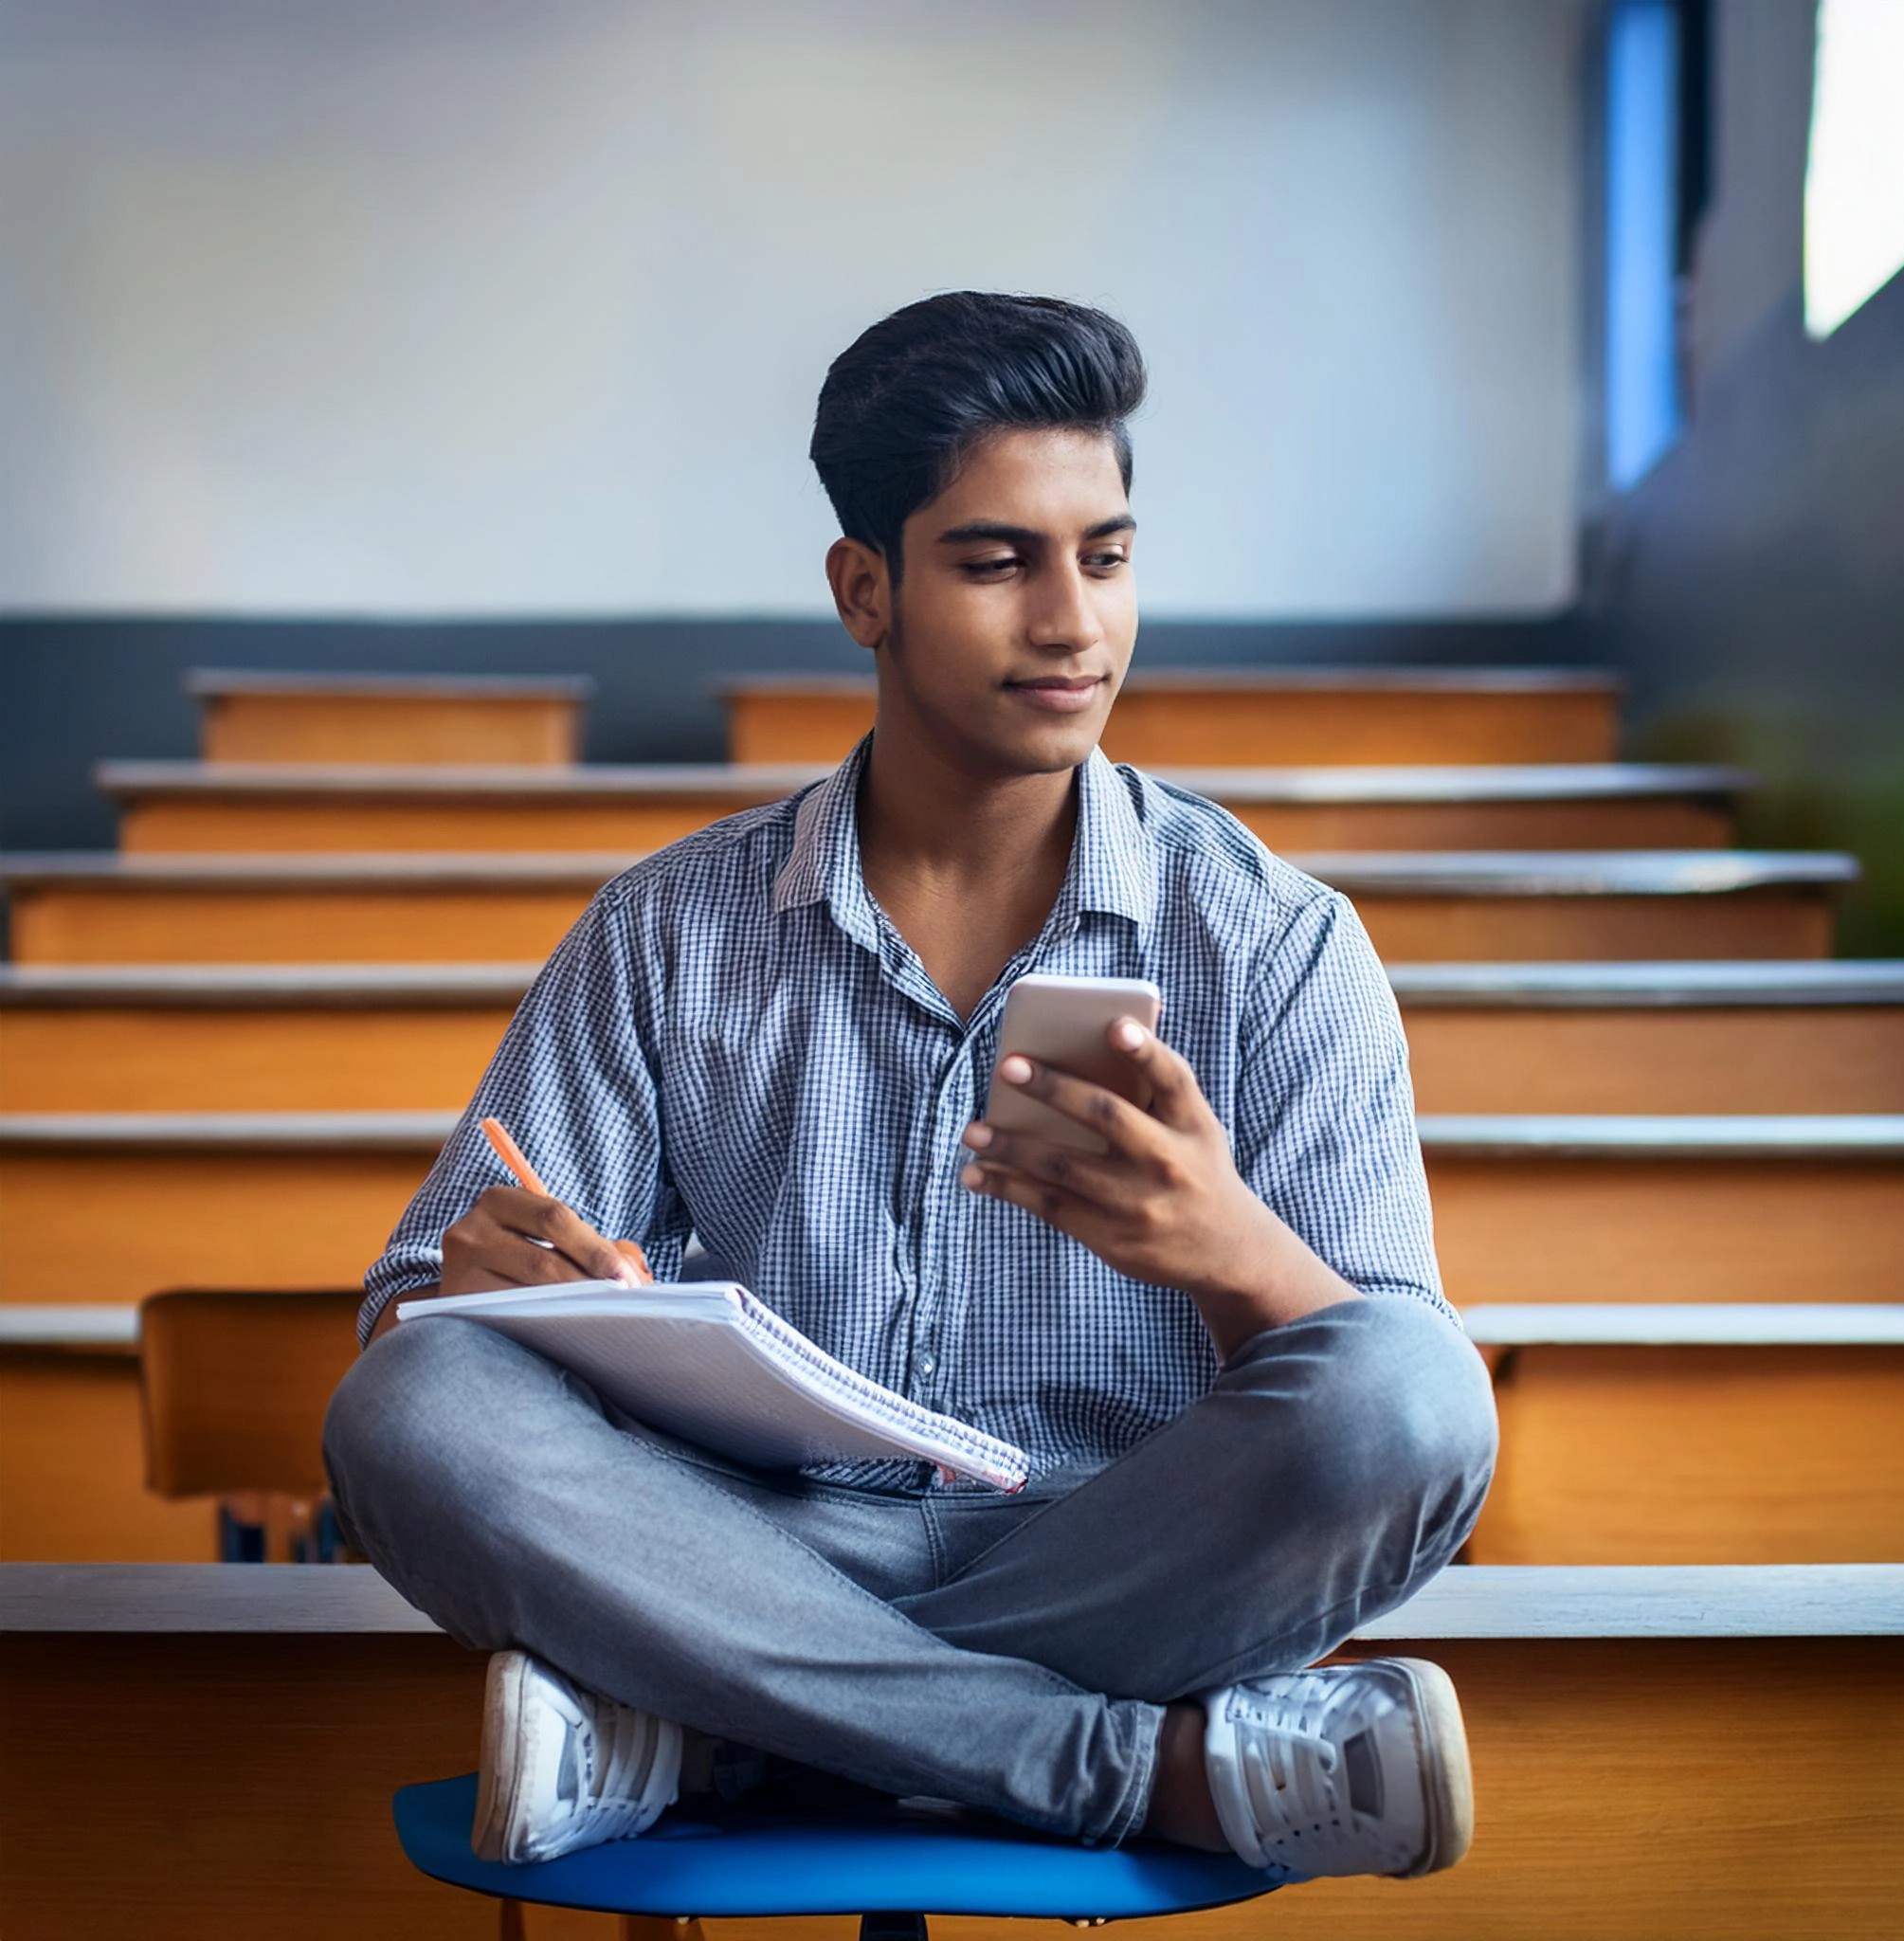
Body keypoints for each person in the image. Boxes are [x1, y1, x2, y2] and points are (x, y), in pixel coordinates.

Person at [323, 291, 1498, 1884]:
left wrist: (1231, 1250)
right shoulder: (672, 930)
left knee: (1415, 1395)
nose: (1073, 624)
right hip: (747, 1545)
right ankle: (1110, 1764)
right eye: (996, 561)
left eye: (1107, 554)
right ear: (863, 588)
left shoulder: (1278, 942)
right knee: (414, 1404)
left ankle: (718, 1734)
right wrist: (471, 1288)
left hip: (1127, 1560)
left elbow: (1387, 1418)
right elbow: (408, 1320)